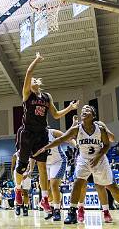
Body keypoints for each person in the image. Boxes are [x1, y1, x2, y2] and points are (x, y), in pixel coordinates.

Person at [34, 105, 119, 224]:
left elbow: (106, 145)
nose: (84, 111)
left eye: (87, 110)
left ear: (93, 116)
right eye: (83, 110)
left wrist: (98, 157)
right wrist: (45, 148)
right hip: (83, 159)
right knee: (77, 183)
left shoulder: (100, 129)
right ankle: (72, 212)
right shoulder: (76, 129)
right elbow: (61, 139)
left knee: (111, 186)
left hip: (99, 159)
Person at [14, 52, 79, 215]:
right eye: (32, 80)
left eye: (36, 79)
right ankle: (17, 191)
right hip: (27, 132)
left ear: (39, 83)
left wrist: (70, 109)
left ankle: (44, 199)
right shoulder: (27, 94)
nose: (33, 79)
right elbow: (28, 73)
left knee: (42, 166)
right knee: (21, 166)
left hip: (41, 133)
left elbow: (56, 115)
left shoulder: (47, 97)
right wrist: (36, 59)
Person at [44, 128, 76, 221]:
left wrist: (76, 145)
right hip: (45, 164)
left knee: (54, 185)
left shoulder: (52, 132)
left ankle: (57, 210)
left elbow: (68, 137)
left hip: (58, 161)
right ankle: (51, 208)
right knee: (46, 188)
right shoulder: (34, 136)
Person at [11, 152, 34, 216]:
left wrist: (27, 174)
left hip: (26, 174)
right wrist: (13, 177)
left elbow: (30, 166)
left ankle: (25, 208)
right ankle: (17, 207)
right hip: (18, 173)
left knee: (26, 192)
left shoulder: (30, 154)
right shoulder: (15, 155)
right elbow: (12, 167)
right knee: (18, 191)